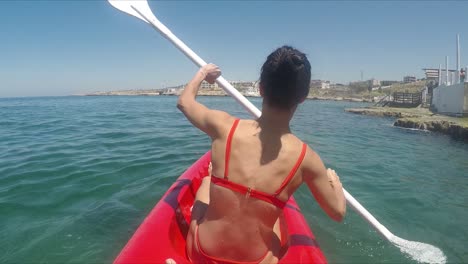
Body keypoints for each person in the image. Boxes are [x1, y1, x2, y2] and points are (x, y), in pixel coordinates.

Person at [173, 46, 346, 264]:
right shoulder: (307, 159)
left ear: (262, 89)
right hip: (255, 262)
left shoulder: (224, 126)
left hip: (201, 253)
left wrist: (203, 73)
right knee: (276, 223)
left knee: (207, 183)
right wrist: (336, 185)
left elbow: (184, 102)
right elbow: (337, 212)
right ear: (303, 97)